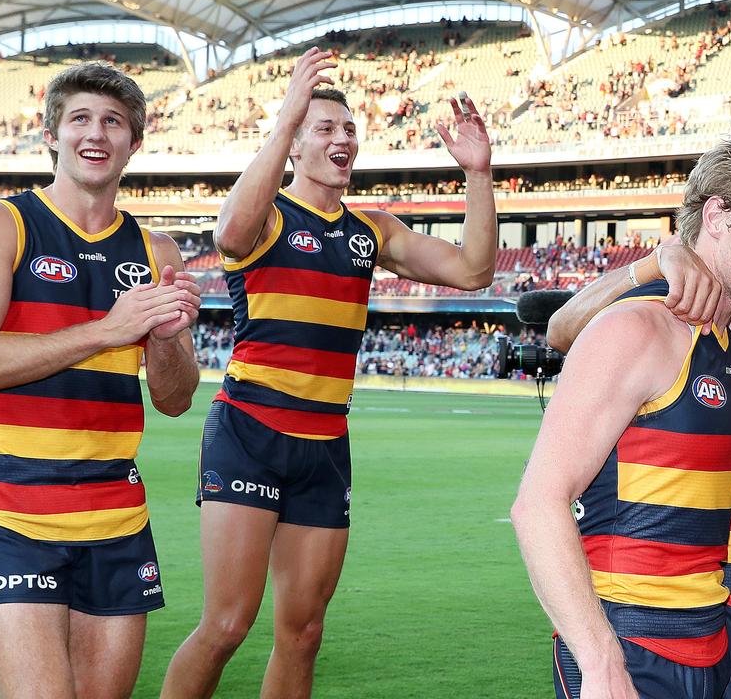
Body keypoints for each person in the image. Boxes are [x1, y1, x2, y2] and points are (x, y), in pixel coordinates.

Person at [161, 47, 497, 699]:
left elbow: (473, 271)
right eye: (325, 128)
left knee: (304, 631)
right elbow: (230, 233)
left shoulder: (371, 229)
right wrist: (287, 116)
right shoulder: (268, 216)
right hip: (249, 431)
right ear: (293, 143)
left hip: (324, 446)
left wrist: (479, 175)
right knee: (228, 623)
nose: (343, 138)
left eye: (349, 129)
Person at [513, 132, 731, 699]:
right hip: (633, 645)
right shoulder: (637, 329)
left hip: (706, 647)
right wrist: (599, 660)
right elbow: (537, 504)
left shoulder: (720, 338)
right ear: (717, 217)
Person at [0, 62, 201, 699]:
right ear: (51, 132)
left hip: (116, 511)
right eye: (80, 117)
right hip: (15, 508)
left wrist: (164, 341)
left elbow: (173, 399)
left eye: (113, 122)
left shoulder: (155, 250)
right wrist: (104, 332)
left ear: (134, 143)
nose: (97, 132)